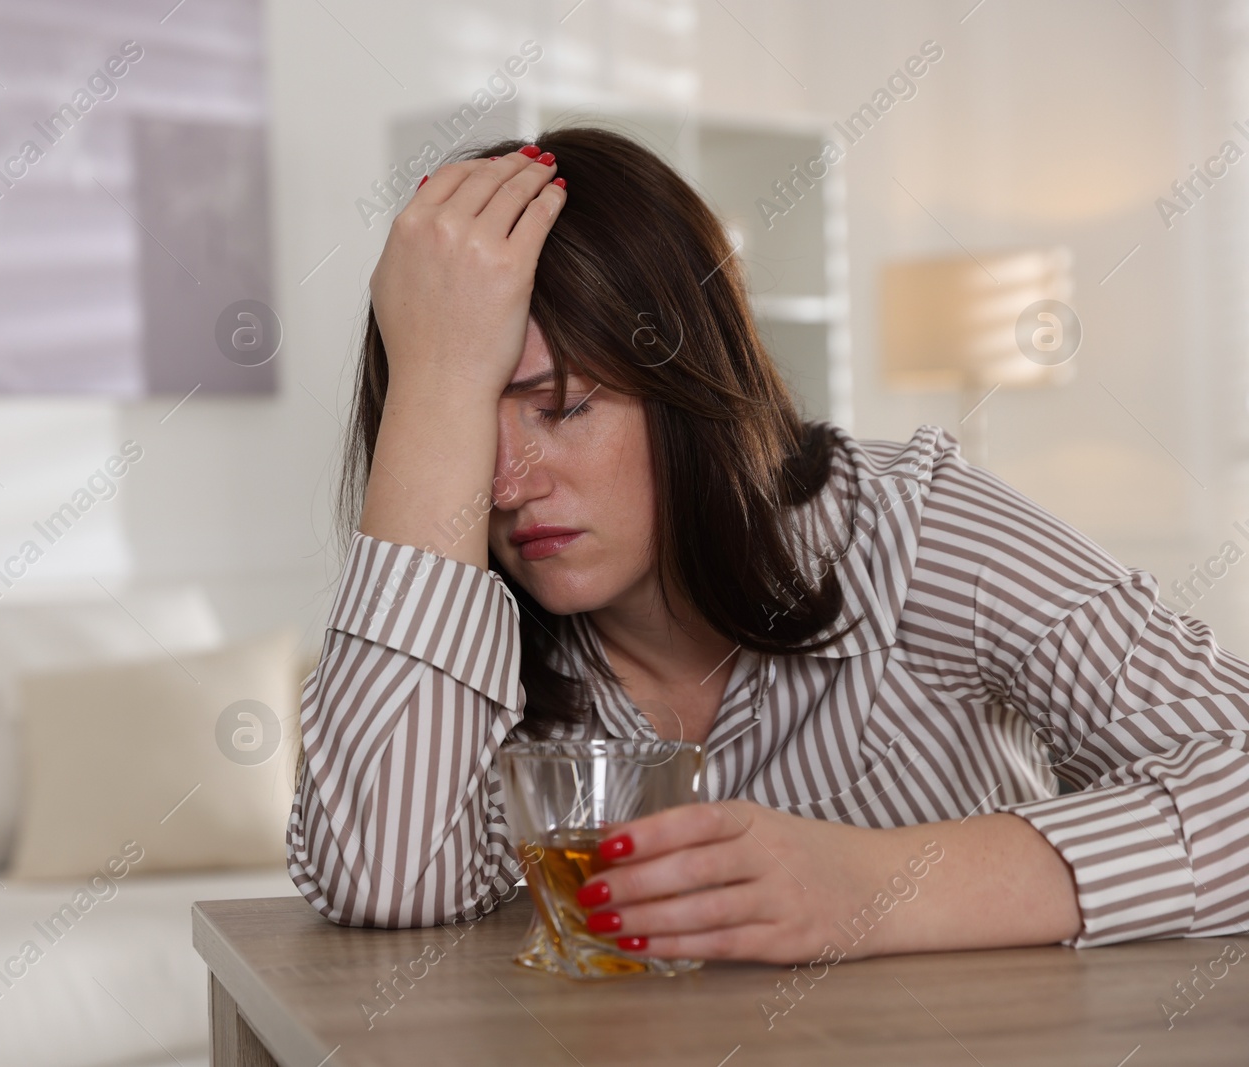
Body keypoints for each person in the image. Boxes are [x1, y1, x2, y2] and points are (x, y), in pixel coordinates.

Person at [285, 126, 1249, 964]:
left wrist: (872, 889)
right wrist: (435, 379)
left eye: (565, 406)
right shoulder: (477, 660)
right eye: (456, 435)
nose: (505, 487)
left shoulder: (915, 531)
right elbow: (382, 878)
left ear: (691, 386)